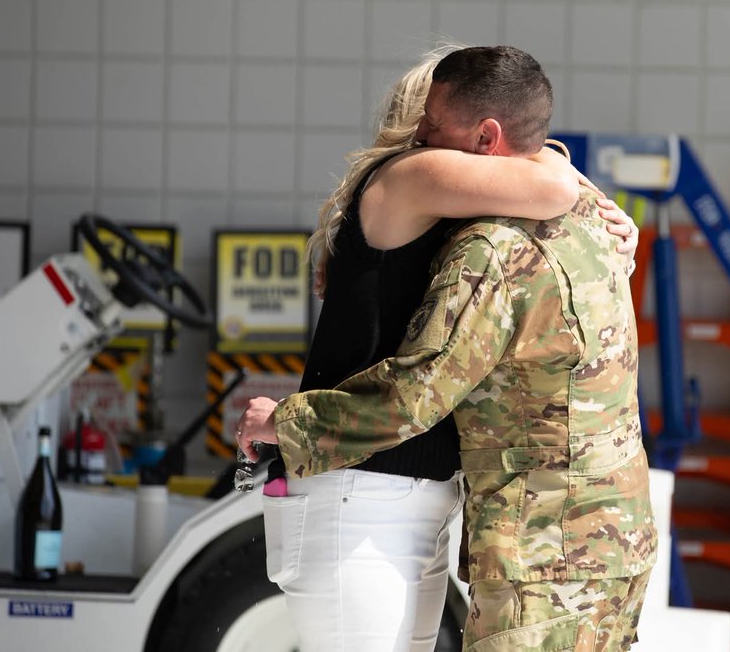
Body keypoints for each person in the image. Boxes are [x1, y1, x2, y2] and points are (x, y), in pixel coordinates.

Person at [239, 46, 656, 652]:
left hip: (424, 498)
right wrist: (600, 207)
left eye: (438, 120)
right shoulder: (414, 175)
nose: (426, 133)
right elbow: (555, 182)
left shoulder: (484, 216)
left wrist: (606, 218)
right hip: (357, 492)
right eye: (425, 118)